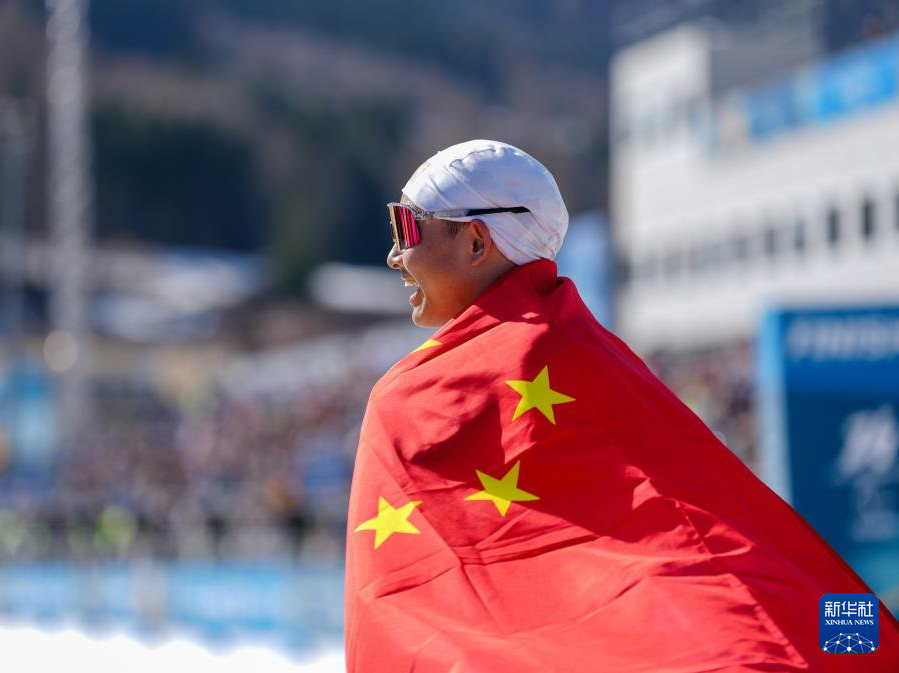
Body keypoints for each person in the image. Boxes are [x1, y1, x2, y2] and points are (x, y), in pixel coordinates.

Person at [344, 139, 899, 672]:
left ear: (475, 241)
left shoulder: (414, 397)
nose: (394, 255)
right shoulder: (602, 355)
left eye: (406, 226)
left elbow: (407, 600)